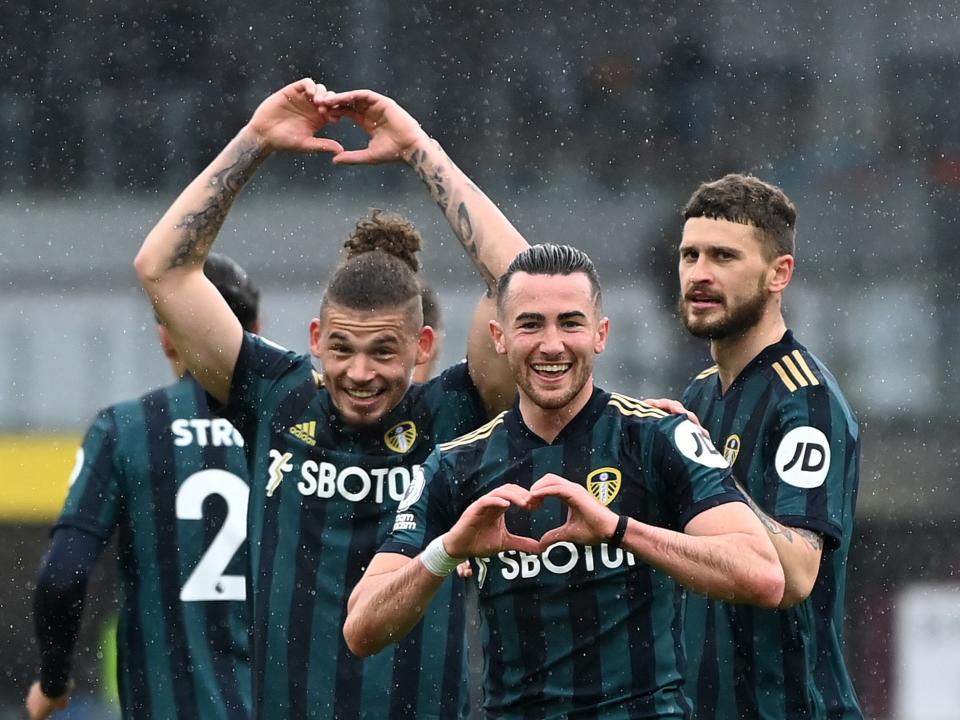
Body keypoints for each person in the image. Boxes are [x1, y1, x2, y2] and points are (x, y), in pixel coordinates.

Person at [134, 79, 528, 719]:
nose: (360, 373)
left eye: (383, 352)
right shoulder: (275, 396)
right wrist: (255, 141)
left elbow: (527, 285)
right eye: (342, 347)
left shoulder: (454, 414)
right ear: (316, 338)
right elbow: (162, 269)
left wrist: (419, 150)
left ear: (423, 344)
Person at [343, 243, 786, 718]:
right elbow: (361, 628)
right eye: (530, 324)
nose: (551, 345)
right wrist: (448, 550)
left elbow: (763, 575)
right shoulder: (456, 465)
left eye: (570, 323)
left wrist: (619, 530)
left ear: (601, 334)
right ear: (500, 336)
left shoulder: (657, 436)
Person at [26, 254, 260, 720]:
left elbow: (62, 576)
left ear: (164, 335)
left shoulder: (128, 429)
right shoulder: (298, 427)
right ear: (255, 329)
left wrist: (53, 681)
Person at [676, 174, 862, 719]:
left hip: (790, 708)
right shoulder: (700, 394)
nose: (700, 274)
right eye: (690, 255)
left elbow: (797, 572)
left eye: (724, 256)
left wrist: (703, 465)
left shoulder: (806, 400)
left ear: (779, 273)